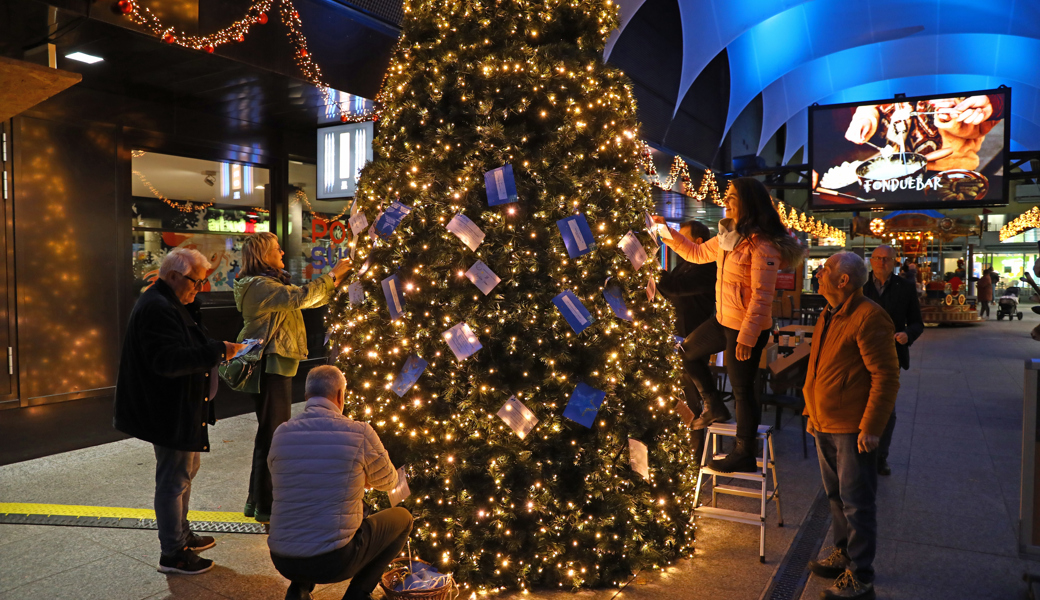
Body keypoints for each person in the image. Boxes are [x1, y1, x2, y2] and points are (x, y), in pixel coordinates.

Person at [655, 177, 804, 472]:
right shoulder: (728, 237)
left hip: (747, 328)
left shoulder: (763, 246)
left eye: (732, 196)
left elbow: (762, 297)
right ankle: (713, 404)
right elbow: (696, 254)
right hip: (723, 319)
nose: (726, 200)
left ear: (748, 202)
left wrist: (747, 338)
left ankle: (744, 452)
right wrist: (665, 231)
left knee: (742, 389)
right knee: (685, 352)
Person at [114, 248, 247, 575]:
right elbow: (169, 361)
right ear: (173, 276)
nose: (198, 289)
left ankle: (181, 536)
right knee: (173, 480)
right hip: (169, 411)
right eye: (195, 282)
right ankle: (172, 552)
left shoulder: (171, 303)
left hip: (182, 409)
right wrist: (219, 351)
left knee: (184, 474)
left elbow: (185, 342)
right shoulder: (157, 307)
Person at [235, 232, 353, 524]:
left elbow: (305, 301)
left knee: (269, 434)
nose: (282, 254)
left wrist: (334, 283)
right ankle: (268, 505)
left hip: (276, 365)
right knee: (274, 436)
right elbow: (300, 297)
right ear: (264, 255)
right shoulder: (260, 286)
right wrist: (333, 275)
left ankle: (258, 502)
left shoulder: (269, 284)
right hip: (269, 366)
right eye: (277, 250)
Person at [267, 366, 412, 600]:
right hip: (333, 560)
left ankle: (298, 589)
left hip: (282, 558)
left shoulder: (282, 432)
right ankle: (358, 593)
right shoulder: (358, 432)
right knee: (403, 518)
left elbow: (279, 473)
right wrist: (362, 478)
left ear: (306, 397)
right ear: (340, 395)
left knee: (307, 503)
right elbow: (389, 481)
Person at [804, 252, 900, 600]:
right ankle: (843, 552)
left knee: (857, 502)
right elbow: (818, 367)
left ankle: (861, 576)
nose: (819, 272)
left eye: (826, 268)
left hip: (851, 426)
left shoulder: (869, 317)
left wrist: (872, 427)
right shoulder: (829, 313)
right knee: (835, 497)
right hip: (825, 421)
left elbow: (886, 377)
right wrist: (811, 412)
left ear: (843, 281)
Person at [657, 220, 717, 461]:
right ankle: (677, 451)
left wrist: (651, 270)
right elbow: (667, 290)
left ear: (698, 243)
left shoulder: (707, 267)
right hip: (676, 336)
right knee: (677, 396)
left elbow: (674, 288)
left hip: (694, 339)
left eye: (681, 238)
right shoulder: (683, 266)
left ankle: (694, 458)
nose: (677, 243)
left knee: (691, 398)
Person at [863, 245, 923, 477]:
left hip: (891, 355)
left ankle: (880, 456)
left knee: (886, 408)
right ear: (871, 261)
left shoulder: (905, 287)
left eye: (887, 259)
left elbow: (918, 322)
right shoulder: (860, 286)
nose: (882, 263)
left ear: (895, 262)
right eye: (878, 258)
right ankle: (860, 452)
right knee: (860, 403)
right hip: (860, 354)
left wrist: (907, 334)